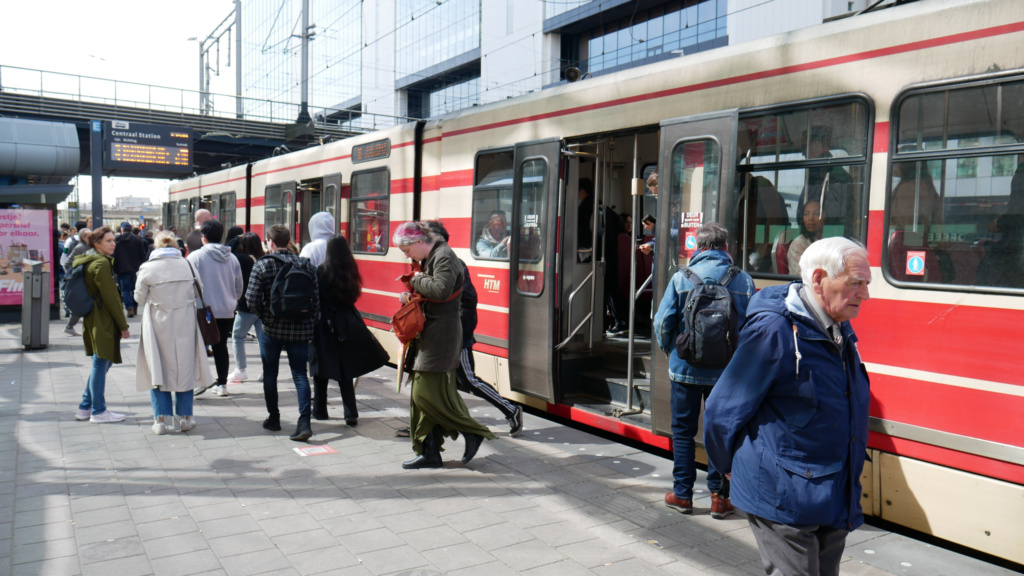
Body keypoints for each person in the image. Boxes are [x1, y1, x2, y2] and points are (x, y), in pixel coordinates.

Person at [704, 237, 872, 576]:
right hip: (783, 492)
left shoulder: (836, 325)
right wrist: (728, 467)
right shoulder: (775, 330)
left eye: (866, 284)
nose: (865, 295)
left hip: (832, 488)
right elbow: (722, 410)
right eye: (856, 283)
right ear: (818, 279)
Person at [653, 222, 755, 518]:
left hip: (685, 370)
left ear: (697, 247)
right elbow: (752, 325)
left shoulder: (681, 278)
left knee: (683, 432)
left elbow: (663, 323)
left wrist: (672, 351)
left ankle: (683, 494)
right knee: (721, 431)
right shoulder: (742, 279)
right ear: (726, 247)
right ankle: (719, 498)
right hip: (727, 374)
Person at [393, 222, 496, 469]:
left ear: (419, 241)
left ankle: (473, 431)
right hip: (430, 334)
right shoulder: (433, 256)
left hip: (441, 337)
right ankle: (430, 453)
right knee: (421, 400)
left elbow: (440, 290)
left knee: (424, 394)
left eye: (406, 249)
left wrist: (416, 280)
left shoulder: (444, 256)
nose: (406, 255)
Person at [429, 221, 523, 436]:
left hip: (457, 333)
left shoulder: (451, 263)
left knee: (468, 378)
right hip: (448, 332)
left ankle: (511, 409)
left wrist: (456, 332)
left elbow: (467, 302)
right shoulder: (434, 262)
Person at [246, 224, 320, 441]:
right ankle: (304, 421)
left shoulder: (262, 266)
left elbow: (251, 300)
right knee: (300, 374)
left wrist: (266, 316)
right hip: (301, 329)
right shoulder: (306, 265)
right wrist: (310, 323)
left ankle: (274, 418)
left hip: (272, 330)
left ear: (269, 242)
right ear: (289, 242)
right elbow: (316, 300)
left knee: (271, 373)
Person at [134, 231, 213, 434]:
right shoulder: (187, 264)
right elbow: (198, 291)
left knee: (157, 367)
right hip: (185, 320)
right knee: (185, 366)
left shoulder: (147, 268)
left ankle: (160, 420)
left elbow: (139, 298)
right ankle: (185, 417)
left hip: (157, 322)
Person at [311, 235, 371, 425]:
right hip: (347, 321)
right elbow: (353, 296)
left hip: (325, 323)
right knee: (345, 370)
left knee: (320, 368)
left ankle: (320, 411)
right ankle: (350, 413)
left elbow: (317, 297)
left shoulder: (321, 271)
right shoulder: (351, 270)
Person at [73, 227, 130, 424]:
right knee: (101, 363)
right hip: (103, 318)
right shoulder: (101, 264)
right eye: (108, 241)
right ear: (97, 244)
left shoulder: (90, 260)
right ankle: (98, 410)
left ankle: (85, 406)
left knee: (101, 362)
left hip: (93, 316)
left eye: (113, 240)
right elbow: (111, 298)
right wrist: (123, 325)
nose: (113, 244)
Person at [187, 219, 243, 397]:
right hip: (226, 310)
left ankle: (199, 381)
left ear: (203, 237)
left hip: (202, 309)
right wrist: (231, 301)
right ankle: (222, 384)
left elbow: (189, 284)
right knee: (221, 347)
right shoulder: (232, 258)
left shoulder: (195, 257)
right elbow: (239, 286)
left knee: (197, 346)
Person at [228, 232, 265, 383]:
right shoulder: (264, 258)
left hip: (246, 306)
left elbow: (226, 249)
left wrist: (236, 239)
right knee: (263, 339)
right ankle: (266, 370)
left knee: (237, 336)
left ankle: (240, 369)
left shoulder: (242, 259)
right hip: (263, 306)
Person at [113, 222, 148, 318]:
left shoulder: (117, 240)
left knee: (125, 289)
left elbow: (114, 256)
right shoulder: (138, 239)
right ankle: (135, 307)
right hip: (136, 269)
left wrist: (114, 269)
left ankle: (129, 308)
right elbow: (142, 255)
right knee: (135, 289)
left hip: (122, 269)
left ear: (122, 230)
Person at [62, 227, 91, 336]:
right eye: (89, 236)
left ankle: (71, 326)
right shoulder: (81, 248)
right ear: (84, 237)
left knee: (83, 304)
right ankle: (69, 326)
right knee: (81, 304)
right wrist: (76, 274)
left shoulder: (86, 247)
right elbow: (67, 264)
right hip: (79, 280)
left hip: (83, 279)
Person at [787, 199, 823, 276]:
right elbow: (799, 275)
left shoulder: (829, 240)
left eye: (816, 214)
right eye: (806, 214)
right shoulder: (798, 244)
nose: (810, 218)